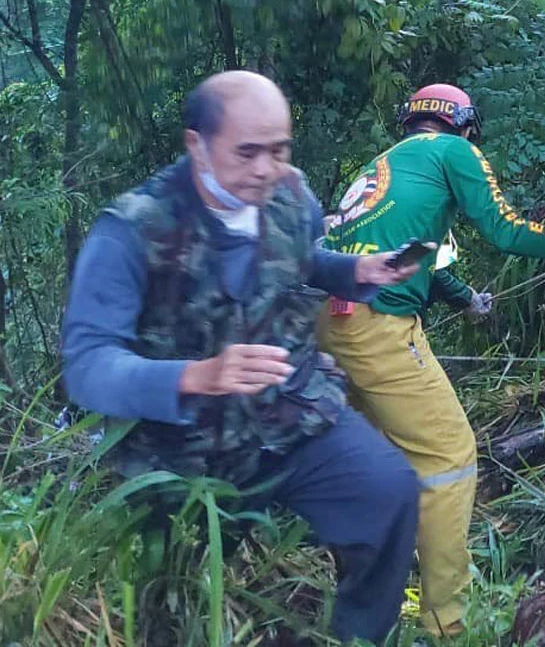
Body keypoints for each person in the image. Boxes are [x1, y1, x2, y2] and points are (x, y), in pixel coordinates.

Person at [61, 71, 421, 645]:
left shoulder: (291, 196)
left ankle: (356, 636)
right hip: (180, 451)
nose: (264, 170)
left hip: (289, 418)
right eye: (247, 152)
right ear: (196, 145)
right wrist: (196, 375)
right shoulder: (131, 230)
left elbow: (300, 260)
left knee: (389, 492)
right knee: (167, 601)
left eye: (278, 150)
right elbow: (85, 364)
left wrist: (354, 273)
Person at [319, 83, 545, 637]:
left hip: (330, 322)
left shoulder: (382, 165)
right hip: (378, 325)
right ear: (462, 125)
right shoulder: (453, 152)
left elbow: (415, 259)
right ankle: (446, 623)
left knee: (374, 464)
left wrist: (465, 299)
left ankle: (368, 612)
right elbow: (505, 228)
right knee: (449, 457)